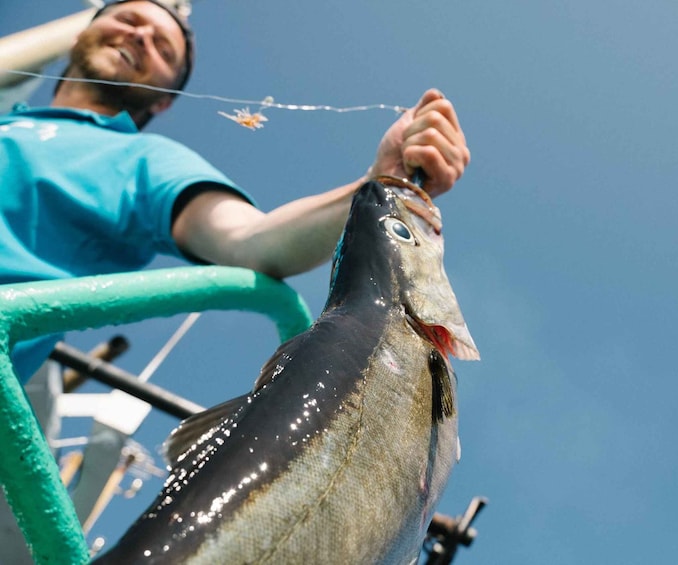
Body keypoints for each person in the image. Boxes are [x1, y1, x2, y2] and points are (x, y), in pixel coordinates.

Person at [0, 0, 471, 382]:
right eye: (128, 19)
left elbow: (251, 241)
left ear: (165, 100)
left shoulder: (146, 163)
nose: (140, 35)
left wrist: (379, 179)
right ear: (82, 33)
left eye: (163, 47)